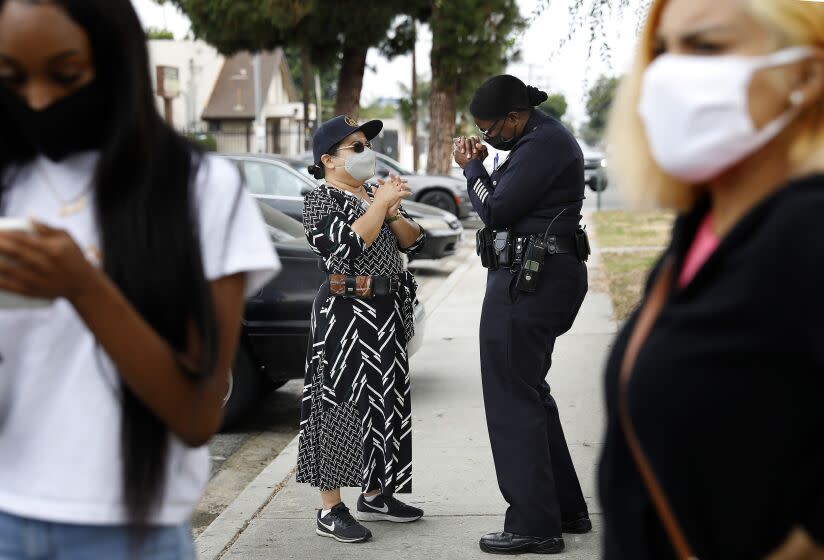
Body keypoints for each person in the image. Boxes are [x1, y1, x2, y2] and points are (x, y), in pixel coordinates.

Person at [0, 0, 279, 557]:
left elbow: (197, 415)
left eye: (65, 75)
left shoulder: (196, 189)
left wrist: (84, 286)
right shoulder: (9, 179)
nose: (36, 100)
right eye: (10, 78)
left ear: (115, 62)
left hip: (128, 533)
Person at [598, 0, 824, 558]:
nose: (669, 75)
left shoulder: (807, 231)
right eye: (661, 50)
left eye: (707, 47)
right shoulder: (699, 232)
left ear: (807, 75)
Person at [454, 75, 592, 555]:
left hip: (530, 281)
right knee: (530, 393)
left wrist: (473, 169)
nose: (486, 137)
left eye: (488, 128)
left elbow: (498, 210)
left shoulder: (542, 144)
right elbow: (507, 205)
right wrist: (484, 166)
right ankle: (564, 510)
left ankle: (534, 525)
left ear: (515, 116)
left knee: (512, 397)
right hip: (536, 278)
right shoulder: (538, 140)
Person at [295, 115, 427, 544]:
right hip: (344, 312)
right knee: (341, 405)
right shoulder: (319, 199)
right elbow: (345, 248)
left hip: (386, 312)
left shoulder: (372, 194)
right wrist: (378, 206)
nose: (365, 152)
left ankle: (376, 492)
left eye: (366, 144)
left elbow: (414, 241)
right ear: (328, 159)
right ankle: (330, 508)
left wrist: (390, 212)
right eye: (356, 146)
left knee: (386, 402)